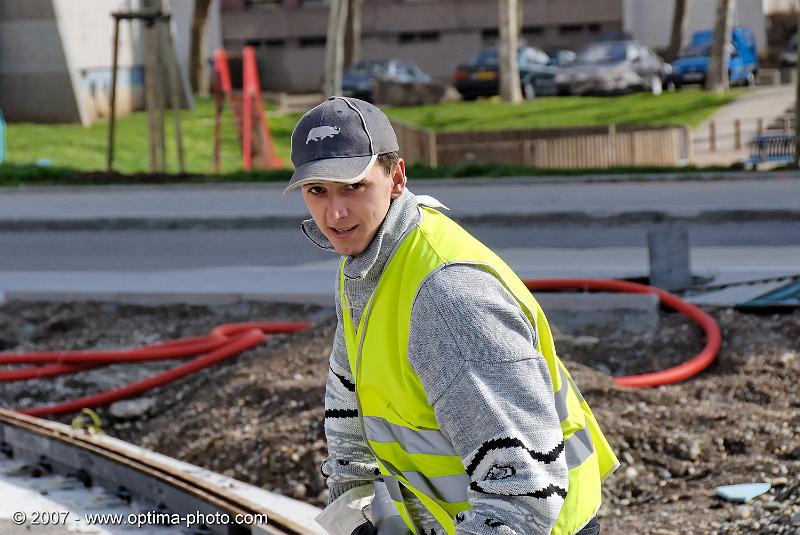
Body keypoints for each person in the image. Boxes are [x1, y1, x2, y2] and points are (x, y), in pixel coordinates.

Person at [284, 96, 618, 535]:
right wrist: (354, 517)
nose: (335, 213)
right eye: (317, 192)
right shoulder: (365, 265)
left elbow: (524, 490)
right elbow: (349, 410)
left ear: (397, 177)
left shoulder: (446, 295)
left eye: (353, 187)